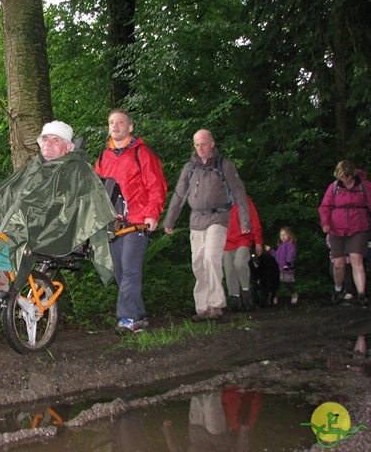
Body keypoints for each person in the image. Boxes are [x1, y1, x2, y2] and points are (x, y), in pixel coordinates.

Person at [0, 121, 118, 300]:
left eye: (56, 140)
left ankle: (0, 276)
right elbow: (5, 195)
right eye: (45, 139)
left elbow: (91, 204)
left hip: (56, 226)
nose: (49, 143)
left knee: (21, 212)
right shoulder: (32, 167)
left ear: (68, 147)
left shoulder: (78, 168)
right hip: (25, 216)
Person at [163, 129, 250, 322]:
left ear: (212, 143)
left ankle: (216, 305)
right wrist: (170, 220)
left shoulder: (224, 165)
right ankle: (202, 308)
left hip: (218, 218)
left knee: (211, 257)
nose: (200, 148)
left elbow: (239, 193)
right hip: (196, 220)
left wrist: (245, 221)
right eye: (196, 144)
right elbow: (179, 194)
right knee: (198, 263)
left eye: (203, 144)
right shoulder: (189, 167)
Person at [95, 109, 167, 334]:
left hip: (137, 222)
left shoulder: (142, 154)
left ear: (130, 127)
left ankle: (127, 319)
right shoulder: (104, 157)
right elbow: (96, 190)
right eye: (111, 123)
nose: (115, 126)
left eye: (120, 122)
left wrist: (152, 213)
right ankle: (140, 316)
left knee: (129, 270)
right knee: (119, 272)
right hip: (113, 225)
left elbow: (156, 186)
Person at [319, 160, 371, 306]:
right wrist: (325, 223)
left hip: (358, 227)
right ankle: (338, 289)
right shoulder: (334, 187)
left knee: (356, 259)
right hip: (337, 229)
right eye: (342, 177)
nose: (345, 179)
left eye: (348, 176)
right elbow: (324, 207)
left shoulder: (365, 186)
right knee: (338, 264)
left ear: (352, 174)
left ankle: (361, 293)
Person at [223, 196, 263, 311]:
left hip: (243, 239)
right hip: (226, 242)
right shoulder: (219, 199)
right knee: (229, 270)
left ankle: (246, 293)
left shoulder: (244, 200)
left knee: (240, 263)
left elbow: (254, 219)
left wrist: (258, 241)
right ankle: (235, 298)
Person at [265, 227, 298, 305]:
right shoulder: (281, 246)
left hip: (286, 268)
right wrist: (270, 250)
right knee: (276, 284)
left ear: (289, 235)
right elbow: (276, 255)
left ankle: (294, 293)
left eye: (284, 235)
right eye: (281, 235)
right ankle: (274, 297)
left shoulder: (290, 245)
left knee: (288, 283)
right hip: (279, 269)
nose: (282, 237)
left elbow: (291, 255)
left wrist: (288, 264)